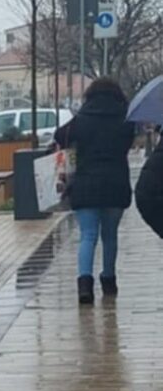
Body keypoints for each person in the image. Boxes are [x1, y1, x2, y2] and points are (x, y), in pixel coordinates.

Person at [55, 77, 135, 304]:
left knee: (88, 235)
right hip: (115, 184)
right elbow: (127, 144)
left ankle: (85, 285)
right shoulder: (125, 119)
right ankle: (109, 280)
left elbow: (59, 136)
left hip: (85, 184)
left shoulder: (80, 120)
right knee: (110, 236)